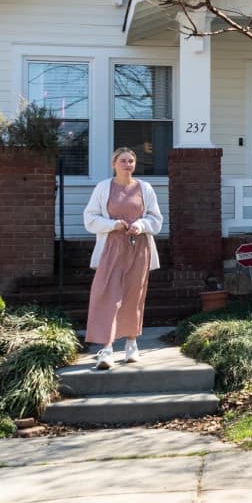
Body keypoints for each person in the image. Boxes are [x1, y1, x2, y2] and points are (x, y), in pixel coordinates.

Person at [83, 147, 163, 370]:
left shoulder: (145, 188)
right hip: (111, 247)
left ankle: (131, 345)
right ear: (114, 164)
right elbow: (90, 218)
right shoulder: (103, 187)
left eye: (131, 161)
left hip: (139, 248)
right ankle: (107, 349)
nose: (127, 165)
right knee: (106, 295)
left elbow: (156, 219)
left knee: (133, 296)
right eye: (123, 161)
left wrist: (141, 225)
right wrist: (112, 224)